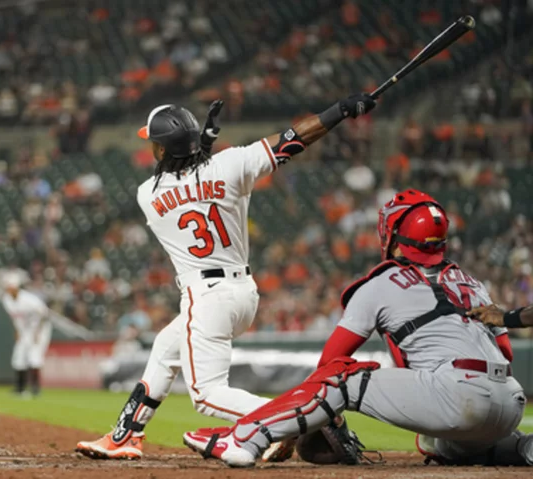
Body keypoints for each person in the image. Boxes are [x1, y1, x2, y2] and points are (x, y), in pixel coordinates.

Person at [76, 91, 377, 460]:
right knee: (165, 350)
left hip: (205, 297)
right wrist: (340, 111)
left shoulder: (147, 195)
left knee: (206, 395)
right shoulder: (232, 164)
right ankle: (125, 436)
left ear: (161, 150)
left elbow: (185, 181)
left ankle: (306, 418)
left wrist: (200, 144)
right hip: (243, 293)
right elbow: (292, 139)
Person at [182, 189, 533, 468]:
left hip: (455, 396)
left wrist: (307, 420)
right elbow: (506, 354)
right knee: (439, 445)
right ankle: (521, 445)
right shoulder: (473, 283)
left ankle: (245, 439)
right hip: (509, 402)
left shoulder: (380, 284)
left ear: (394, 234)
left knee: (341, 377)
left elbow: (330, 364)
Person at [1, 274, 52, 397]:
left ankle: (35, 388)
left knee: (34, 356)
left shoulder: (29, 299)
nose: (9, 289)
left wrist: (37, 332)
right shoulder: (6, 300)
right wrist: (17, 330)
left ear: (17, 287)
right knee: (18, 356)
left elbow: (45, 315)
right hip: (25, 330)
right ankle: (20, 388)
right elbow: (15, 318)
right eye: (8, 287)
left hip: (40, 328)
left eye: (11, 287)